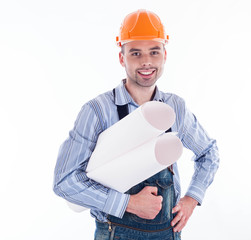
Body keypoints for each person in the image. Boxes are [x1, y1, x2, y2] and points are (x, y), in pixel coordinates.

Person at [53, 9, 219, 240]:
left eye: (154, 51)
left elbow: (209, 153)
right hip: (115, 233)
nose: (146, 62)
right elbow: (64, 181)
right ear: (122, 58)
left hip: (167, 233)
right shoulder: (97, 111)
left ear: (164, 54)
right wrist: (128, 203)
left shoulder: (175, 108)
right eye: (135, 53)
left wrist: (192, 198)